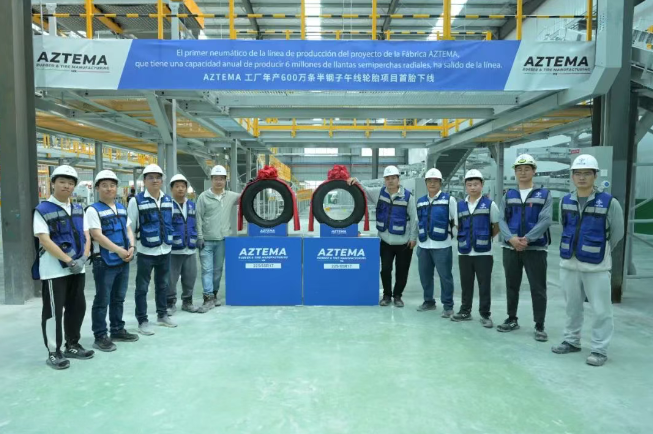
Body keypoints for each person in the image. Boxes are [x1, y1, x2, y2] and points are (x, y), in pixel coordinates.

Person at [552, 154, 624, 367]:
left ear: (595, 176)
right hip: (569, 264)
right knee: (572, 307)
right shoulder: (565, 201)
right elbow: (563, 226)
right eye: (578, 173)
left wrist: (600, 252)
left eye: (586, 173)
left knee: (601, 310)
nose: (582, 177)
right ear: (572, 176)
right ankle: (571, 340)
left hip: (596, 267)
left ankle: (599, 349)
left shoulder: (609, 203)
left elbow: (617, 233)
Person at [32, 165, 94, 370]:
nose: (66, 186)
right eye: (62, 182)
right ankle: (53, 352)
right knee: (53, 312)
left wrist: (84, 258)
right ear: (53, 183)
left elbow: (86, 235)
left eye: (70, 183)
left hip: (78, 267)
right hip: (54, 270)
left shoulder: (78, 209)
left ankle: (72, 345)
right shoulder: (42, 210)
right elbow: (44, 240)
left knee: (77, 307)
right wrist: (68, 261)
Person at [498, 154, 552, 341]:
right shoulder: (508, 195)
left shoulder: (544, 195)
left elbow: (545, 220)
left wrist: (527, 239)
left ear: (534, 171)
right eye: (519, 169)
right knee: (511, 285)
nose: (523, 172)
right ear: (515, 172)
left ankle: (539, 325)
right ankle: (512, 319)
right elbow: (501, 219)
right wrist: (511, 239)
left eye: (527, 169)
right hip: (511, 248)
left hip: (535, 249)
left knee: (538, 288)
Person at [347, 165, 418, 307]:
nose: (390, 181)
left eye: (393, 178)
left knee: (402, 271)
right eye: (387, 178)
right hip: (385, 242)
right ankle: (387, 295)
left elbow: (414, 218)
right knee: (385, 269)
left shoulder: (408, 197)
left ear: (398, 179)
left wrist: (413, 238)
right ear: (384, 180)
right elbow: (364, 191)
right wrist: (356, 181)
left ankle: (397, 296)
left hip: (404, 242)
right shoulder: (379, 193)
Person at [86, 170, 139, 352]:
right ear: (97, 188)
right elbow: (97, 235)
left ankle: (117, 329)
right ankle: (100, 335)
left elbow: (128, 229)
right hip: (104, 262)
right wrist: (119, 250)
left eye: (112, 185)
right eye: (104, 185)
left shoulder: (121, 208)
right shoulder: (93, 210)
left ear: (117, 187)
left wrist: (131, 246)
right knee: (102, 299)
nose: (109, 189)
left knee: (118, 298)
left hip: (123, 260)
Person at [127, 164, 176, 335]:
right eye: (151, 177)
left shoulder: (168, 200)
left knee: (163, 285)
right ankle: (142, 320)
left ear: (162, 180)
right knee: (142, 288)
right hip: (145, 252)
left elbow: (169, 222)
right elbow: (130, 226)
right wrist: (132, 246)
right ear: (145, 181)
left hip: (165, 250)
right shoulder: (136, 201)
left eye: (158, 177)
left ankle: (162, 315)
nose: (155, 180)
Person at [452, 169, 500, 327]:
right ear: (465, 186)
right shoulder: (460, 205)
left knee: (484, 284)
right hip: (464, 251)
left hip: (484, 253)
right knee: (466, 284)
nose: (473, 187)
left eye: (476, 184)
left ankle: (485, 314)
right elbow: (457, 225)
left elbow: (496, 226)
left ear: (482, 185)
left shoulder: (490, 204)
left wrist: (485, 238)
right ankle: (465, 311)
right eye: (469, 184)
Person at [196, 165, 241, 310]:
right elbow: (198, 218)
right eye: (216, 178)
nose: (219, 181)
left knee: (217, 270)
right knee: (207, 270)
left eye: (221, 179)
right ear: (211, 180)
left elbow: (246, 196)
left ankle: (214, 294)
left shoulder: (230, 196)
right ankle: (207, 297)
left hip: (222, 240)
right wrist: (199, 237)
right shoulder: (203, 197)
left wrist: (254, 183)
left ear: (225, 180)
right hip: (206, 240)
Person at [414, 168, 457, 317]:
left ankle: (448, 306)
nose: (432, 184)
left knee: (445, 277)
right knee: (425, 276)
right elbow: (417, 222)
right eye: (429, 181)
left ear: (440, 183)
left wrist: (453, 237)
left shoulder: (449, 200)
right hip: (424, 245)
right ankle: (429, 301)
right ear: (426, 183)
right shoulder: (420, 202)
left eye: (435, 181)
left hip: (442, 245)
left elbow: (456, 221)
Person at [167, 174, 201, 314]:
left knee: (190, 277)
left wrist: (199, 238)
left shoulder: (192, 205)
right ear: (171, 189)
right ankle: (170, 303)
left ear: (186, 188)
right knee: (171, 279)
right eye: (177, 186)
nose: (180, 189)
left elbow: (197, 224)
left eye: (183, 186)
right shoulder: (167, 205)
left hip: (190, 249)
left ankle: (187, 302)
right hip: (173, 250)